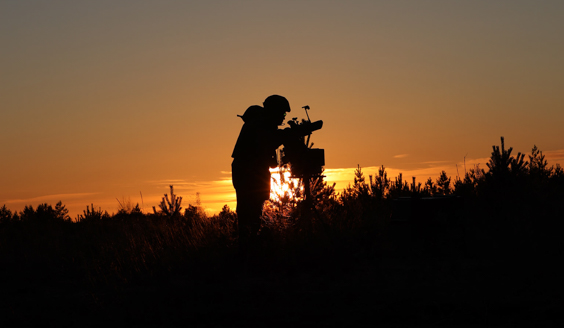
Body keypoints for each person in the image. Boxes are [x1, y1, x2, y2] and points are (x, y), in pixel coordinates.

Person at [231, 95, 292, 256]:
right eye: (282, 113)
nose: (283, 117)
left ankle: (249, 247)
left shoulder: (261, 124)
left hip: (251, 171)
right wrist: (286, 135)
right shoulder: (260, 124)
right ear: (274, 111)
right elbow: (268, 142)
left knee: (253, 210)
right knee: (249, 212)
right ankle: (247, 250)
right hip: (248, 172)